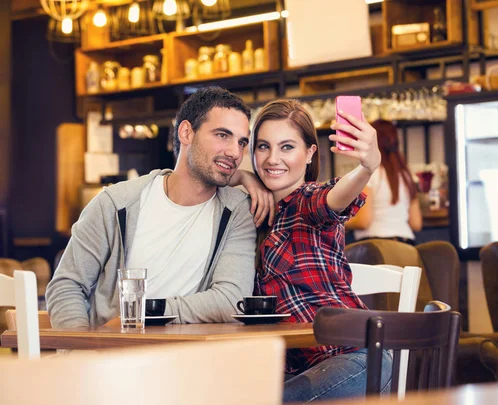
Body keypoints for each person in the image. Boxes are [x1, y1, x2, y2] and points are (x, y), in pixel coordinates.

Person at [46, 86, 274, 328]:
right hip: (110, 356)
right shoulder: (117, 203)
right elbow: (67, 286)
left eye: (241, 142)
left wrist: (146, 313)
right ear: (186, 132)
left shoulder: (237, 212)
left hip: (185, 360)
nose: (234, 152)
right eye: (222, 135)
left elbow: (231, 299)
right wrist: (80, 351)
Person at [250, 99, 392, 402]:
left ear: (310, 153)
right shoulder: (252, 216)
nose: (273, 158)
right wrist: (242, 176)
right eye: (263, 147)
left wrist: (367, 167)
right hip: (297, 369)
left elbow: (335, 197)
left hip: (357, 359)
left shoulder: (309, 201)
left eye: (287, 147)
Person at [346, 119, 422, 245]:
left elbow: (363, 221)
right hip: (407, 246)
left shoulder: (368, 173)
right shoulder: (406, 176)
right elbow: (416, 223)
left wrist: (342, 222)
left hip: (377, 246)